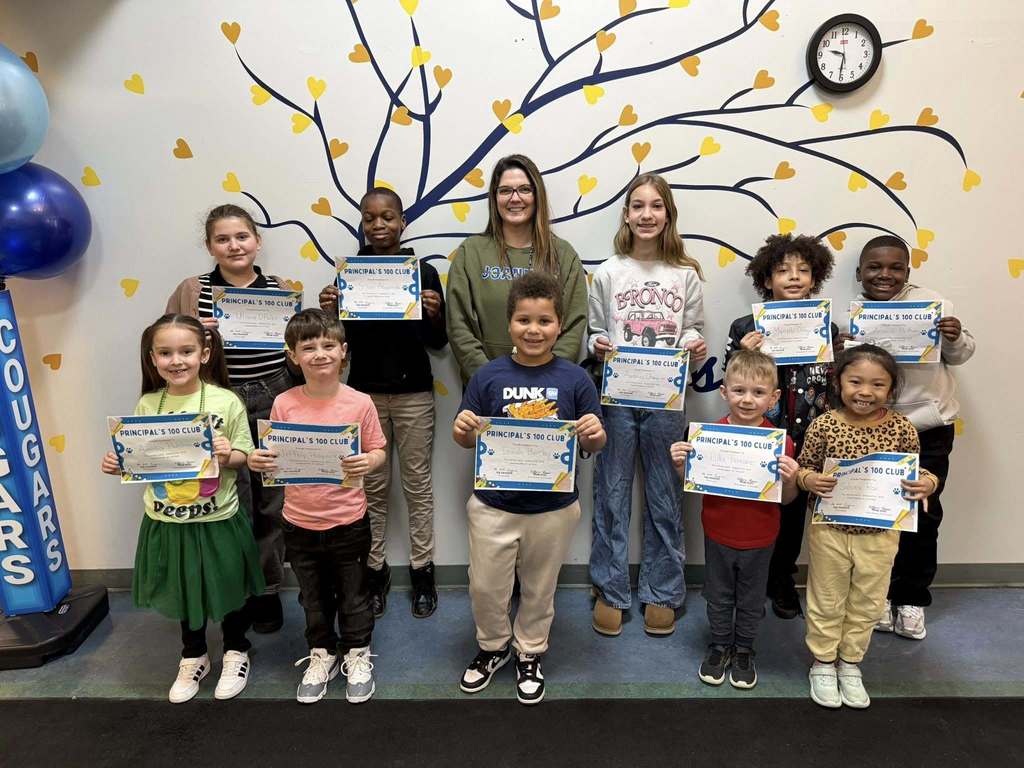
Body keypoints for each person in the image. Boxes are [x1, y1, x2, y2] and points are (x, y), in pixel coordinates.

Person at [453, 272, 606, 705]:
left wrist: (594, 432)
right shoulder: (487, 376)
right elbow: (466, 437)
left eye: (544, 321)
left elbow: (595, 442)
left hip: (554, 507)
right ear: (509, 325)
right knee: (485, 585)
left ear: (559, 325)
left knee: (540, 585)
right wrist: (462, 428)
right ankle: (493, 647)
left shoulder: (576, 379)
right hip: (493, 503)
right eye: (524, 320)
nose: (534, 330)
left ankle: (530, 651)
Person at [100, 315, 264, 703]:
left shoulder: (226, 400)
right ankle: (193, 655)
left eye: (186, 351)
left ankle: (236, 649)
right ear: (152, 358)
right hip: (166, 517)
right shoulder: (147, 403)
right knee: (183, 586)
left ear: (205, 354)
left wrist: (231, 454)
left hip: (218, 515)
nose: (177, 360)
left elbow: (248, 454)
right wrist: (118, 462)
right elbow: (141, 460)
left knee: (229, 585)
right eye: (166, 353)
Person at [586, 174, 707, 637]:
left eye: (656, 206)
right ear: (626, 214)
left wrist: (694, 344)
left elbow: (693, 327)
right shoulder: (608, 271)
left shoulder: (686, 274)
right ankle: (611, 588)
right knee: (612, 493)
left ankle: (661, 590)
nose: (647, 214)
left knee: (663, 494)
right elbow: (594, 330)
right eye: (637, 205)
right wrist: (598, 344)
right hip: (616, 397)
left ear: (668, 214)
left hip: (667, 399)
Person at [165, 204, 295, 633]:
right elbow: (165, 342)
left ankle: (268, 588)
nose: (234, 245)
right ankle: (235, 587)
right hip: (216, 401)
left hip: (271, 395)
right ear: (209, 246)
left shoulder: (277, 288)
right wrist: (193, 331)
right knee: (227, 496)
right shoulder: (192, 289)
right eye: (223, 239)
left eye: (241, 236)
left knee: (271, 499)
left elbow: (296, 349)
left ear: (257, 240)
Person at [319, 188, 447, 619]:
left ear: (403, 222)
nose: (378, 225)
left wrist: (433, 313)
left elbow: (437, 342)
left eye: (387, 217)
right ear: (362, 222)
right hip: (364, 396)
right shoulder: (349, 274)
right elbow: (340, 346)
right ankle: (373, 571)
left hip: (414, 394)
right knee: (369, 487)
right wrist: (332, 313)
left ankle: (422, 571)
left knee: (417, 485)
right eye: (370, 218)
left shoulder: (424, 273)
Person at [248, 309, 386, 704]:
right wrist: (260, 460)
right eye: (308, 347)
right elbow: (272, 456)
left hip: (348, 520)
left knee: (354, 594)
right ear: (292, 356)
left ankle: (357, 653)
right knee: (312, 595)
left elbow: (377, 449)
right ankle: (321, 654)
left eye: (328, 345)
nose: (319, 354)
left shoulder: (359, 403)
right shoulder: (283, 404)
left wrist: (369, 461)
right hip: (298, 522)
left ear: (343, 351)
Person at [797, 345, 938, 709]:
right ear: (839, 382)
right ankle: (823, 662)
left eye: (877, 384)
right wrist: (809, 480)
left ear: (890, 390)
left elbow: (915, 472)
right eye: (855, 381)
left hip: (880, 535)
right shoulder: (824, 424)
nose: (865, 391)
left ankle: (851, 662)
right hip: (830, 531)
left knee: (868, 603)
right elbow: (802, 467)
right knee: (827, 599)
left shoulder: (902, 428)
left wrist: (929, 483)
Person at [853, 236, 975, 641]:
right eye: (874, 267)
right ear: (860, 273)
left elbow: (960, 354)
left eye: (894, 267)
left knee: (923, 514)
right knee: (875, 514)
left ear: (907, 271)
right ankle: (878, 599)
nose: (884, 274)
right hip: (873, 426)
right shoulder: (855, 314)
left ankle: (911, 599)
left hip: (927, 428)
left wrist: (954, 335)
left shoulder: (933, 304)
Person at [723, 233, 838, 620]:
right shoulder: (745, 326)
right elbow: (730, 377)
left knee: (792, 513)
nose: (794, 277)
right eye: (783, 270)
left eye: (803, 270)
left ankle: (783, 579)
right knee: (754, 509)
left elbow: (837, 381)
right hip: (757, 435)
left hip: (809, 436)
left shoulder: (828, 326)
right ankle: (747, 578)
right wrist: (744, 350)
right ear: (766, 279)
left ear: (815, 278)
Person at [671, 350, 799, 689]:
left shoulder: (782, 442)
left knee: (752, 598)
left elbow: (786, 500)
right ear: (723, 391)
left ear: (774, 398)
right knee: (718, 595)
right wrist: (682, 464)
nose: (747, 399)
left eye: (758, 393)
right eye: (739, 390)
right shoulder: (708, 437)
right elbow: (693, 484)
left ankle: (744, 649)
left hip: (761, 537)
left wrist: (790, 480)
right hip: (719, 533)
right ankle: (719, 645)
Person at [446, 154, 588, 385]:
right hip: (486, 389)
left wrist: (544, 379)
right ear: (494, 198)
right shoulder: (471, 252)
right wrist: (492, 380)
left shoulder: (563, 255)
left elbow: (573, 326)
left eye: (524, 189)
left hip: (548, 389)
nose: (515, 198)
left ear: (537, 195)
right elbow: (458, 324)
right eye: (505, 191)